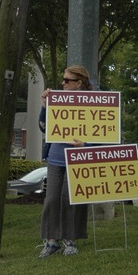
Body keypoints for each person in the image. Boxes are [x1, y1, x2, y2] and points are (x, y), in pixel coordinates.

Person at [38, 65, 94, 258]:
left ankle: (70, 240)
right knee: (52, 199)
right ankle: (51, 241)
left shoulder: (93, 102)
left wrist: (86, 144)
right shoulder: (56, 101)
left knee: (71, 199)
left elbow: (104, 132)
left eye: (67, 80)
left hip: (77, 159)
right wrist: (45, 105)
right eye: (63, 80)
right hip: (55, 157)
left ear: (79, 83)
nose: (63, 83)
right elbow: (43, 127)